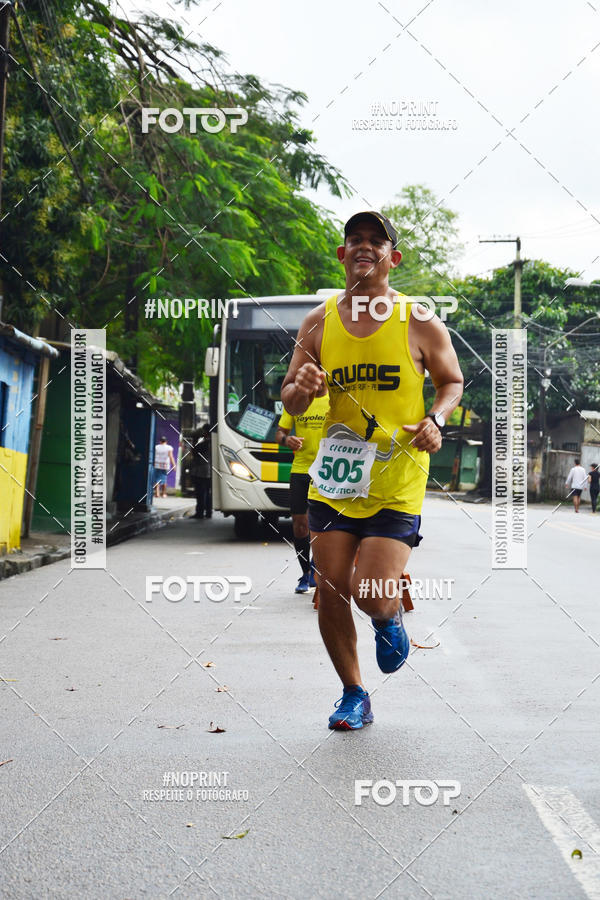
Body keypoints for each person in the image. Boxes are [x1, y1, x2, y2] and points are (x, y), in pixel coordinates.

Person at [281, 210, 463, 730]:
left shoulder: (419, 319)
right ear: (342, 254)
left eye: (376, 241)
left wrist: (436, 417)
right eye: (354, 239)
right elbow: (289, 399)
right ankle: (353, 693)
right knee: (331, 588)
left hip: (396, 478)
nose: (365, 246)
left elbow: (452, 381)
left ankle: (388, 617)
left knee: (369, 592)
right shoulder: (317, 323)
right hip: (336, 480)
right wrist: (304, 387)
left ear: (392, 257)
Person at [276, 392, 329, 593]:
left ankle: (316, 566)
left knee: (323, 523)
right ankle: (305, 573)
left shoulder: (335, 398)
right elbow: (280, 433)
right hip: (300, 469)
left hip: (327, 470)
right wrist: (287, 440)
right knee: (300, 525)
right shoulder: (297, 401)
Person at [189, 425, 212, 519]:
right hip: (210, 471)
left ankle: (200, 513)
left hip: (201, 471)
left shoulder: (205, 443)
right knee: (208, 492)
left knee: (200, 493)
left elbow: (194, 452)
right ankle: (208, 512)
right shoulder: (213, 442)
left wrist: (195, 439)